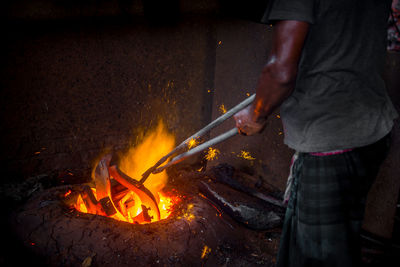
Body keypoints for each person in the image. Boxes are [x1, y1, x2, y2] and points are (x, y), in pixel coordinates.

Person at [234, 0, 398, 266]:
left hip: (330, 142)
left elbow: (281, 72)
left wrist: (255, 115)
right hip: (373, 129)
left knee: (318, 258)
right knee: (333, 244)